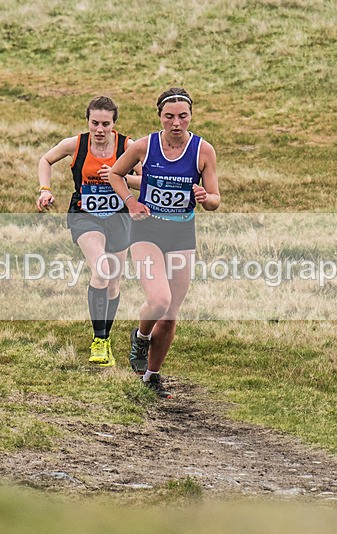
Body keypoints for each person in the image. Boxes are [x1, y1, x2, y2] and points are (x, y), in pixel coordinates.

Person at [108, 88, 220, 398]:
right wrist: (131, 202)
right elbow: (115, 174)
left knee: (170, 314)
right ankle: (141, 337)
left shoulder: (203, 151)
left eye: (182, 116)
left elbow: (215, 200)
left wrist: (204, 197)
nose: (176, 123)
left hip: (182, 234)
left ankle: (151, 377)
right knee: (158, 300)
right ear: (160, 116)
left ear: (191, 117)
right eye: (169, 116)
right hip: (147, 231)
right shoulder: (144, 146)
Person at [37, 96, 141, 367]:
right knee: (102, 270)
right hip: (85, 216)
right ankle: (98, 340)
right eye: (95, 123)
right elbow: (45, 160)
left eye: (106, 124)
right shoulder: (76, 144)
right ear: (88, 121)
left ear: (114, 124)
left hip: (119, 216)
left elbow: (147, 180)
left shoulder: (128, 146)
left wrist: (121, 177)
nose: (99, 129)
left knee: (114, 283)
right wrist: (45, 190)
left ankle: (105, 340)